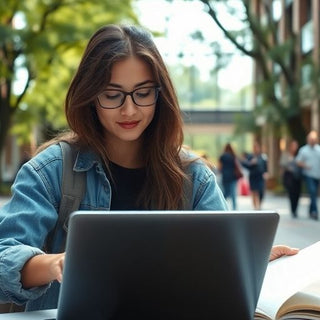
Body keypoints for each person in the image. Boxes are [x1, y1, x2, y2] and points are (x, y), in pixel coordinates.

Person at [0, 24, 298, 312]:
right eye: (112, 95)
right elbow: (4, 258)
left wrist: (248, 261)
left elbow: (218, 261)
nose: (129, 110)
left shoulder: (194, 177)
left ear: (160, 94)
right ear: (90, 96)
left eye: (142, 93)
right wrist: (56, 264)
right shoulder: (50, 171)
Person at [296, 130, 320, 220]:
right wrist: (305, 166)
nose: (312, 140)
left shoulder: (319, 149)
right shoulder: (304, 150)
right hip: (308, 175)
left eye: (314, 139)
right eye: (311, 139)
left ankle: (311, 210)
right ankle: (315, 212)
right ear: (308, 139)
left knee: (314, 194)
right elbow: (298, 161)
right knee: (312, 191)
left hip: (318, 175)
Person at [241, 141, 268, 210]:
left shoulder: (263, 156)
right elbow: (244, 164)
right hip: (253, 177)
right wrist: (251, 163)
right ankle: (255, 207)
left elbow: (265, 166)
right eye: (254, 147)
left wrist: (266, 172)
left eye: (257, 147)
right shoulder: (250, 156)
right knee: (254, 192)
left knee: (261, 191)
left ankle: (259, 205)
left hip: (260, 177)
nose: (255, 149)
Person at [280, 140, 302, 218]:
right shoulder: (286, 155)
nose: (294, 147)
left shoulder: (300, 155)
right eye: (293, 146)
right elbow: (282, 165)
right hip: (289, 177)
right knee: (291, 194)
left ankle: (295, 209)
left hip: (298, 177)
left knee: (297, 193)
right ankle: (293, 210)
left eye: (295, 146)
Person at [218, 143, 242, 209]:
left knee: (225, 193)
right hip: (233, 177)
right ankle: (234, 209)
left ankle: (222, 207)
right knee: (233, 194)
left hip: (225, 177)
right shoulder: (233, 156)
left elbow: (219, 168)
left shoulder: (222, 156)